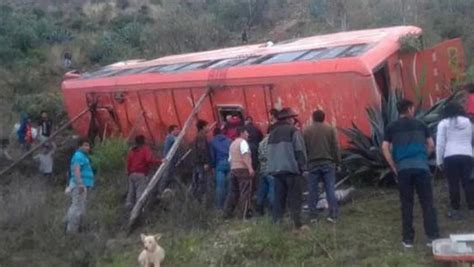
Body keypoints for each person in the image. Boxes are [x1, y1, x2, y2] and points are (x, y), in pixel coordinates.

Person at [382, 99, 440, 248]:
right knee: (427, 202)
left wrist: (394, 165)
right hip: (421, 168)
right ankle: (432, 237)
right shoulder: (421, 124)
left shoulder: (391, 127)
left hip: (403, 170)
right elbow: (431, 145)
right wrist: (423, 158)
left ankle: (408, 239)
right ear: (410, 108)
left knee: (407, 204)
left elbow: (384, 147)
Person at [267, 108, 307, 229]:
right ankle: (297, 224)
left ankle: (277, 223)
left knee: (279, 198)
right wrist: (302, 167)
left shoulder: (272, 133)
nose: (294, 120)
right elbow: (299, 150)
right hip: (291, 169)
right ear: (288, 119)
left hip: (276, 171)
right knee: (295, 197)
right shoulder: (293, 131)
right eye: (293, 118)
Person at [436, 103, 474, 219]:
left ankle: (455, 209)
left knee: (453, 184)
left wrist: (439, 160)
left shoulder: (443, 123)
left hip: (450, 156)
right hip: (467, 155)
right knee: (469, 183)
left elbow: (440, 143)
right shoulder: (469, 123)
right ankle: (472, 208)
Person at [303, 110, 341, 223]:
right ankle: (333, 214)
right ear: (324, 118)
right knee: (330, 189)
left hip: (313, 163)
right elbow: (335, 146)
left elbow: (304, 148)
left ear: (313, 118)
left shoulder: (306, 130)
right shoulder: (330, 129)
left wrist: (305, 164)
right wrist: (338, 162)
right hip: (328, 163)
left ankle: (313, 216)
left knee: (312, 190)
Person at [224, 126, 255, 219]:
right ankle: (245, 214)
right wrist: (250, 168)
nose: (248, 134)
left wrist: (232, 169)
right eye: (246, 132)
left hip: (234, 169)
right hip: (243, 170)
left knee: (233, 192)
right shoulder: (243, 142)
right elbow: (245, 155)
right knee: (245, 192)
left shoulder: (232, 144)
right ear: (241, 133)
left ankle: (227, 213)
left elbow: (230, 159)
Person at [64, 139, 94, 234]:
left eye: (88, 146)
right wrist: (80, 183)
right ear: (79, 146)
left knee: (79, 207)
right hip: (79, 185)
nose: (87, 148)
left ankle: (75, 228)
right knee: (76, 207)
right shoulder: (78, 156)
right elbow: (76, 169)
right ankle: (71, 231)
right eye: (85, 145)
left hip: (82, 185)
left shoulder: (83, 156)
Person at [125, 135, 162, 210]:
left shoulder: (132, 150)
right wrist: (160, 161)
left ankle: (128, 205)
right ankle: (139, 209)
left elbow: (128, 162)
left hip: (132, 174)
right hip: (140, 173)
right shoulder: (145, 149)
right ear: (143, 141)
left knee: (131, 191)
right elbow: (149, 160)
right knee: (140, 192)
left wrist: (128, 172)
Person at [210, 127, 231, 210]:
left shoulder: (213, 142)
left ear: (214, 134)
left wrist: (213, 167)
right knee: (230, 185)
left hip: (220, 165)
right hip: (230, 163)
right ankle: (230, 206)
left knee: (220, 186)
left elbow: (213, 156)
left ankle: (220, 207)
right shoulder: (229, 140)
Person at [191, 119, 211, 202]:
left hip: (196, 162)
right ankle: (200, 200)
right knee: (201, 181)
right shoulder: (202, 136)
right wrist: (206, 162)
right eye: (207, 126)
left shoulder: (197, 136)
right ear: (203, 127)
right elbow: (202, 150)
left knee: (196, 181)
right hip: (200, 163)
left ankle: (194, 198)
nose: (209, 128)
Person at [255, 131, 275, 216]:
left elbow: (259, 156)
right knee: (272, 189)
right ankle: (272, 209)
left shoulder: (261, 143)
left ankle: (259, 209)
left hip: (263, 169)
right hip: (271, 169)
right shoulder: (272, 142)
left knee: (262, 191)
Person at [158, 125, 180, 193]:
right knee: (166, 175)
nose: (178, 131)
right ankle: (161, 191)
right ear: (172, 131)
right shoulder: (170, 137)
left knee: (170, 175)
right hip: (168, 160)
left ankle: (167, 190)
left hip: (172, 160)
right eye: (176, 130)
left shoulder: (170, 138)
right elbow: (178, 140)